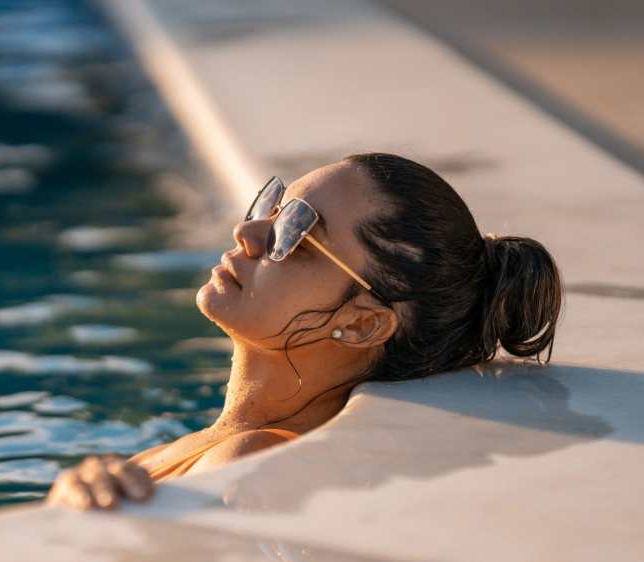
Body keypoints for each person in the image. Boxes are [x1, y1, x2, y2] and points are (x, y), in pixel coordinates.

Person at [45, 152, 563, 510]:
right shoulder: (223, 442)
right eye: (274, 207)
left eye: (295, 234)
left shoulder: (248, 457)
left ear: (361, 323)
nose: (247, 233)